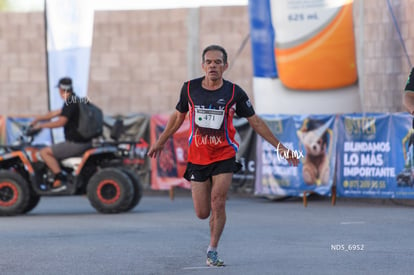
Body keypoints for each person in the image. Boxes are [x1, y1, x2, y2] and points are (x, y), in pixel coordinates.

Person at [147, 45, 300, 267]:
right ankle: (210, 225)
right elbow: (178, 117)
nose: (213, 66)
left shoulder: (234, 92)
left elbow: (255, 121)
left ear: (225, 66)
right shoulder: (189, 89)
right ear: (203, 65)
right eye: (209, 62)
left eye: (218, 62)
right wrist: (161, 141)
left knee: (218, 201)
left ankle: (213, 249)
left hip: (224, 154)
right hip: (198, 157)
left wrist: (281, 148)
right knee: (202, 212)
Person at [31, 77, 93, 192]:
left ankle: (59, 180)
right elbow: (56, 113)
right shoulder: (75, 100)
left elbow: (61, 122)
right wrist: (38, 119)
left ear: (61, 89)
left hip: (75, 144)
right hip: (84, 142)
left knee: (44, 152)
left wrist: (41, 126)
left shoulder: (70, 103)